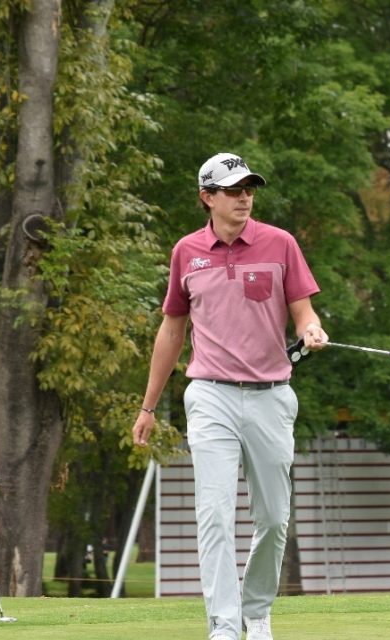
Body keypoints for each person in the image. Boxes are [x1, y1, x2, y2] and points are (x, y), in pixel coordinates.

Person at [131, 154, 328, 640]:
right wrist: (148, 406)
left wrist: (312, 330)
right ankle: (222, 623)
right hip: (211, 396)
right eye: (234, 189)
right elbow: (171, 332)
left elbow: (303, 313)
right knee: (214, 514)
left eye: (249, 189)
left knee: (274, 518)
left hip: (271, 396)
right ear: (207, 197)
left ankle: (255, 612)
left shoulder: (279, 243)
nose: (244, 197)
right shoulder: (186, 252)